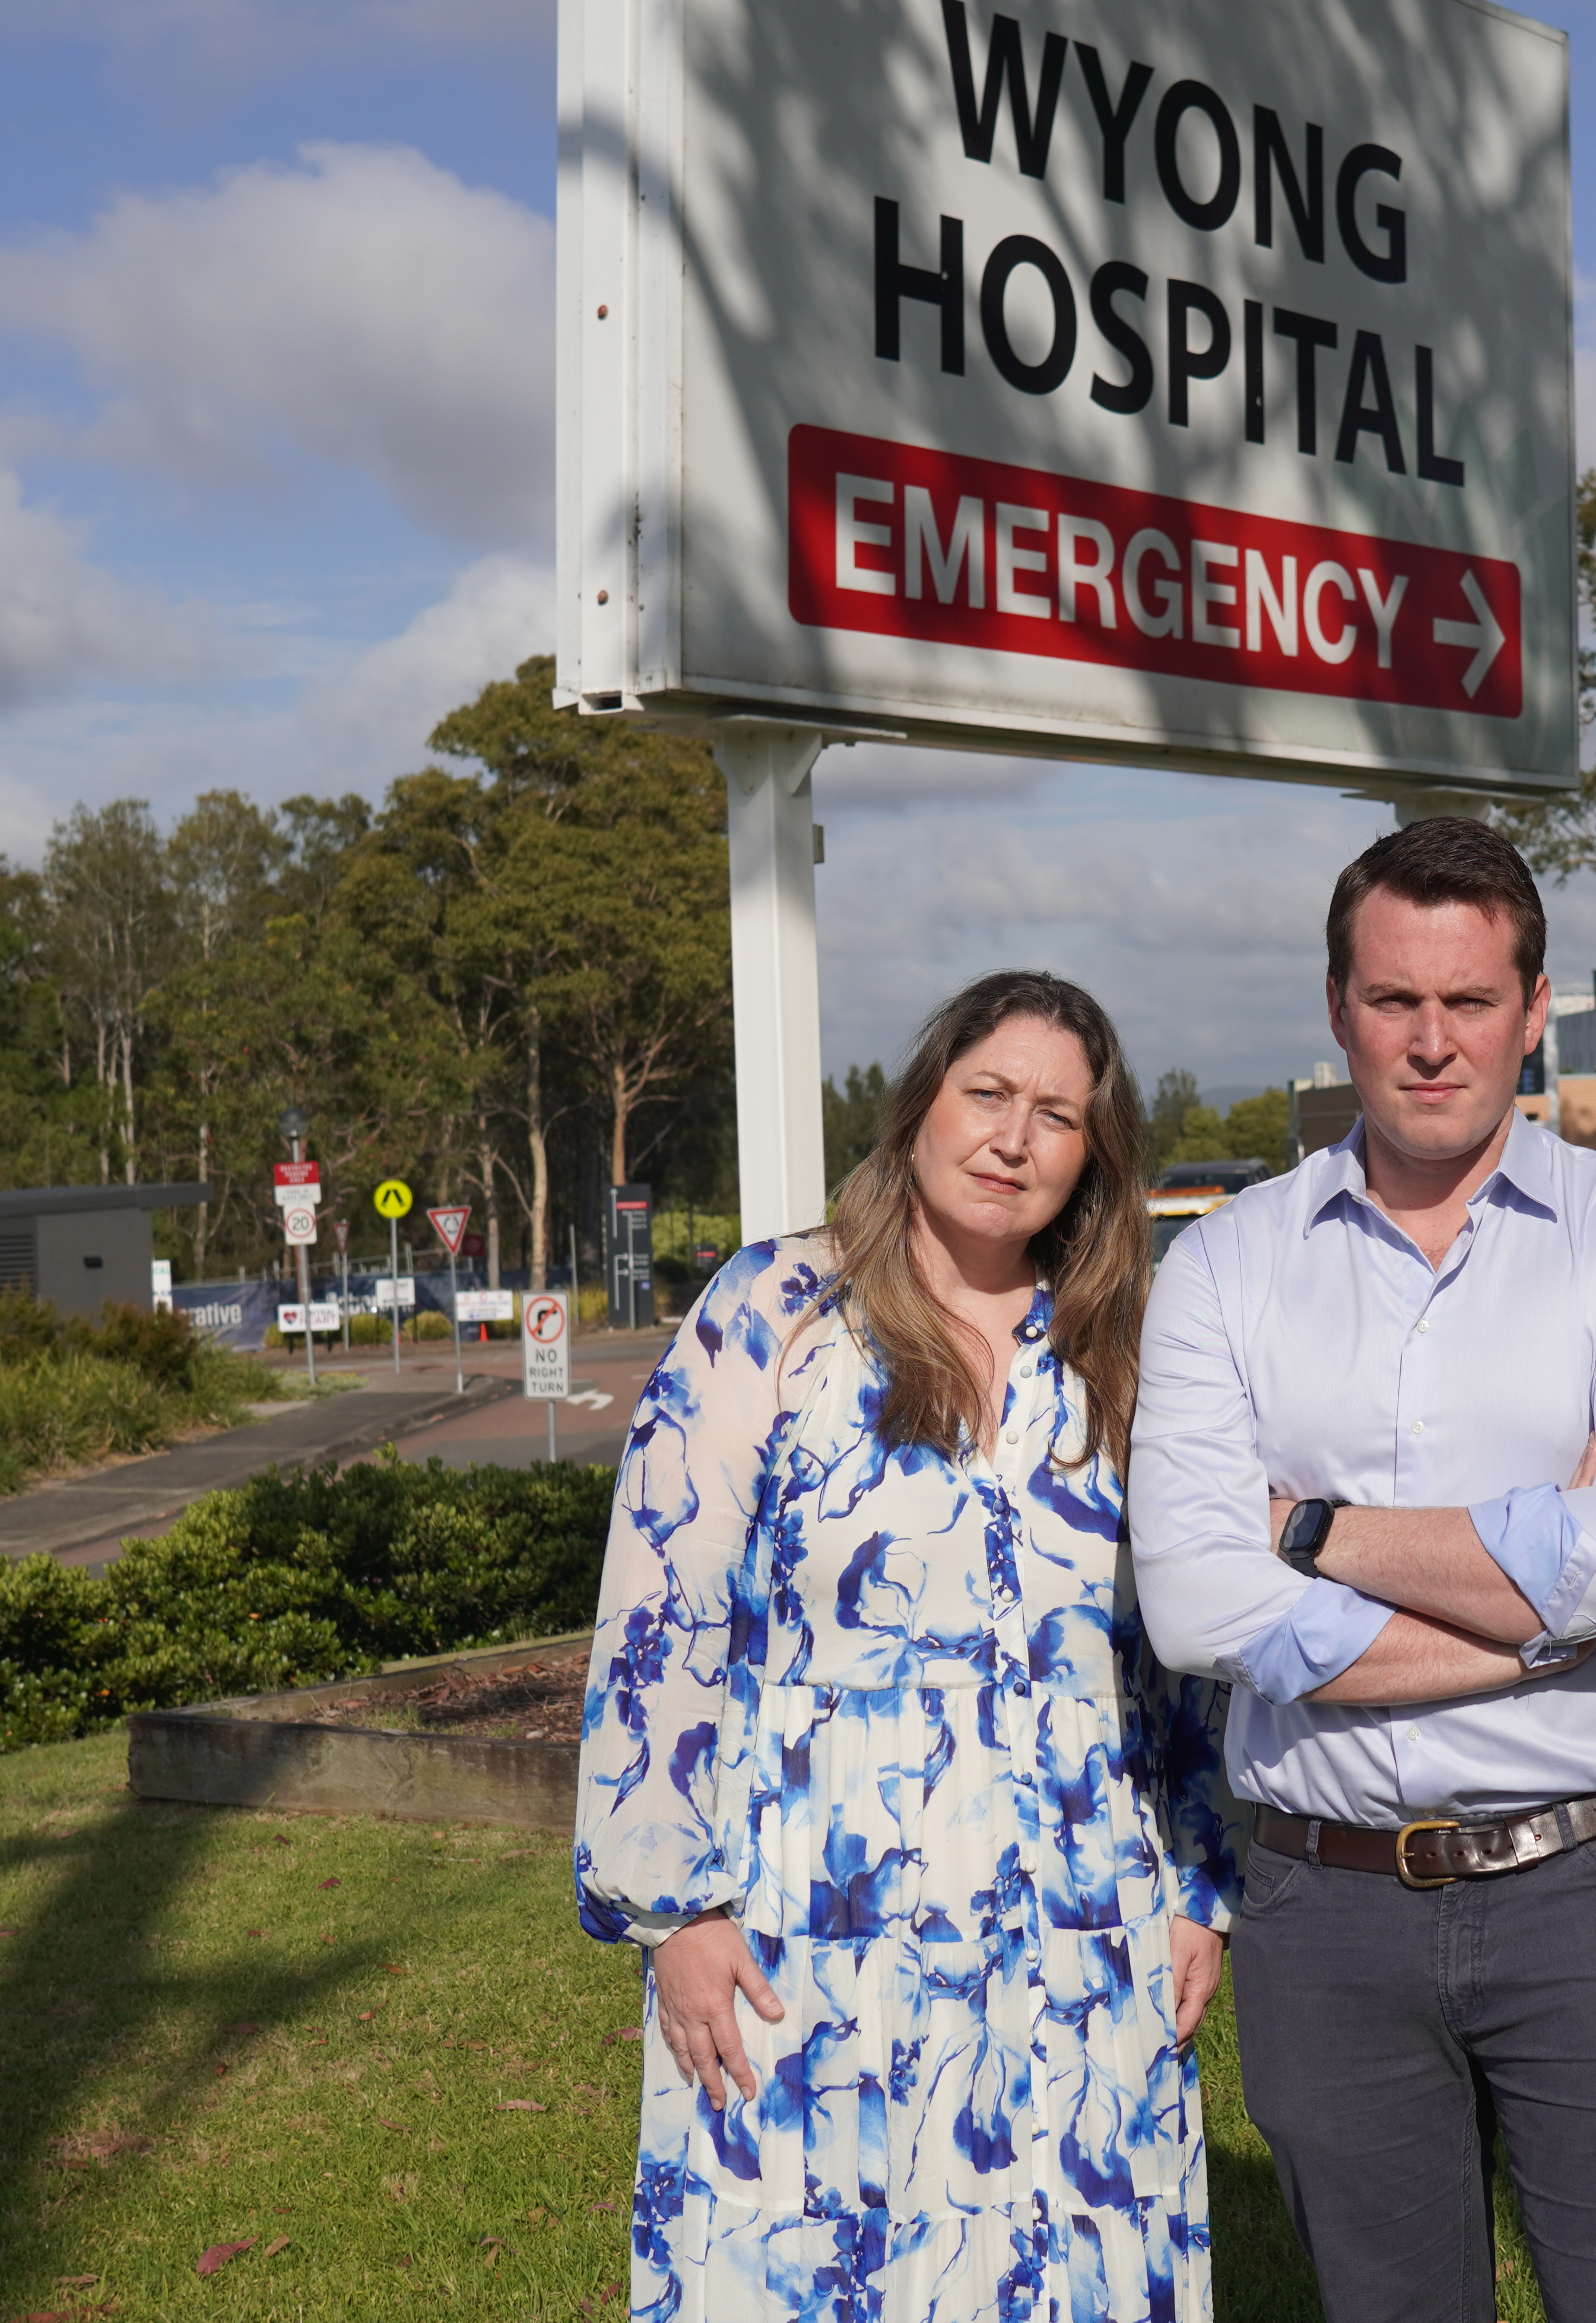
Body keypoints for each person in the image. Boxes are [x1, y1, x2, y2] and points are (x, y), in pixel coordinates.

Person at [1129, 817, 1596, 2322]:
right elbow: (1196, 1601)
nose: (1430, 1041)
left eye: (1470, 1002)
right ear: (1339, 1006)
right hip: (1325, 1909)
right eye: (1395, 1000)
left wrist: (1310, 1527)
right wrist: (1537, 1613)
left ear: (1535, 1012)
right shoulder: (1223, 1263)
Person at [575, 969, 1241, 2323]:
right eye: (989, 1093)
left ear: (1094, 1154)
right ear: (922, 1102)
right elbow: (662, 1616)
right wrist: (676, 1910)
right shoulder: (774, 1310)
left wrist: (1197, 1882)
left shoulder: (1126, 1345)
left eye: (1058, 1114)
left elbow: (1178, 1649)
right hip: (809, 1912)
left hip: (1079, 1909)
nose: (1014, 1137)